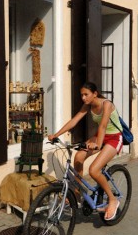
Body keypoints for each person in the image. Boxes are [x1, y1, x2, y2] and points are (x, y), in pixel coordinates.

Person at [48, 82, 123, 221]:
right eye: (81, 95)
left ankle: (112, 200)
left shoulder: (106, 104)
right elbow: (74, 121)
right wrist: (56, 135)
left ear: (95, 94)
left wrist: (98, 145)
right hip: (100, 137)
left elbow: (103, 126)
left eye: (86, 94)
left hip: (114, 138)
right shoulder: (87, 105)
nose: (83, 98)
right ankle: (77, 193)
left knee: (94, 170)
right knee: (78, 157)